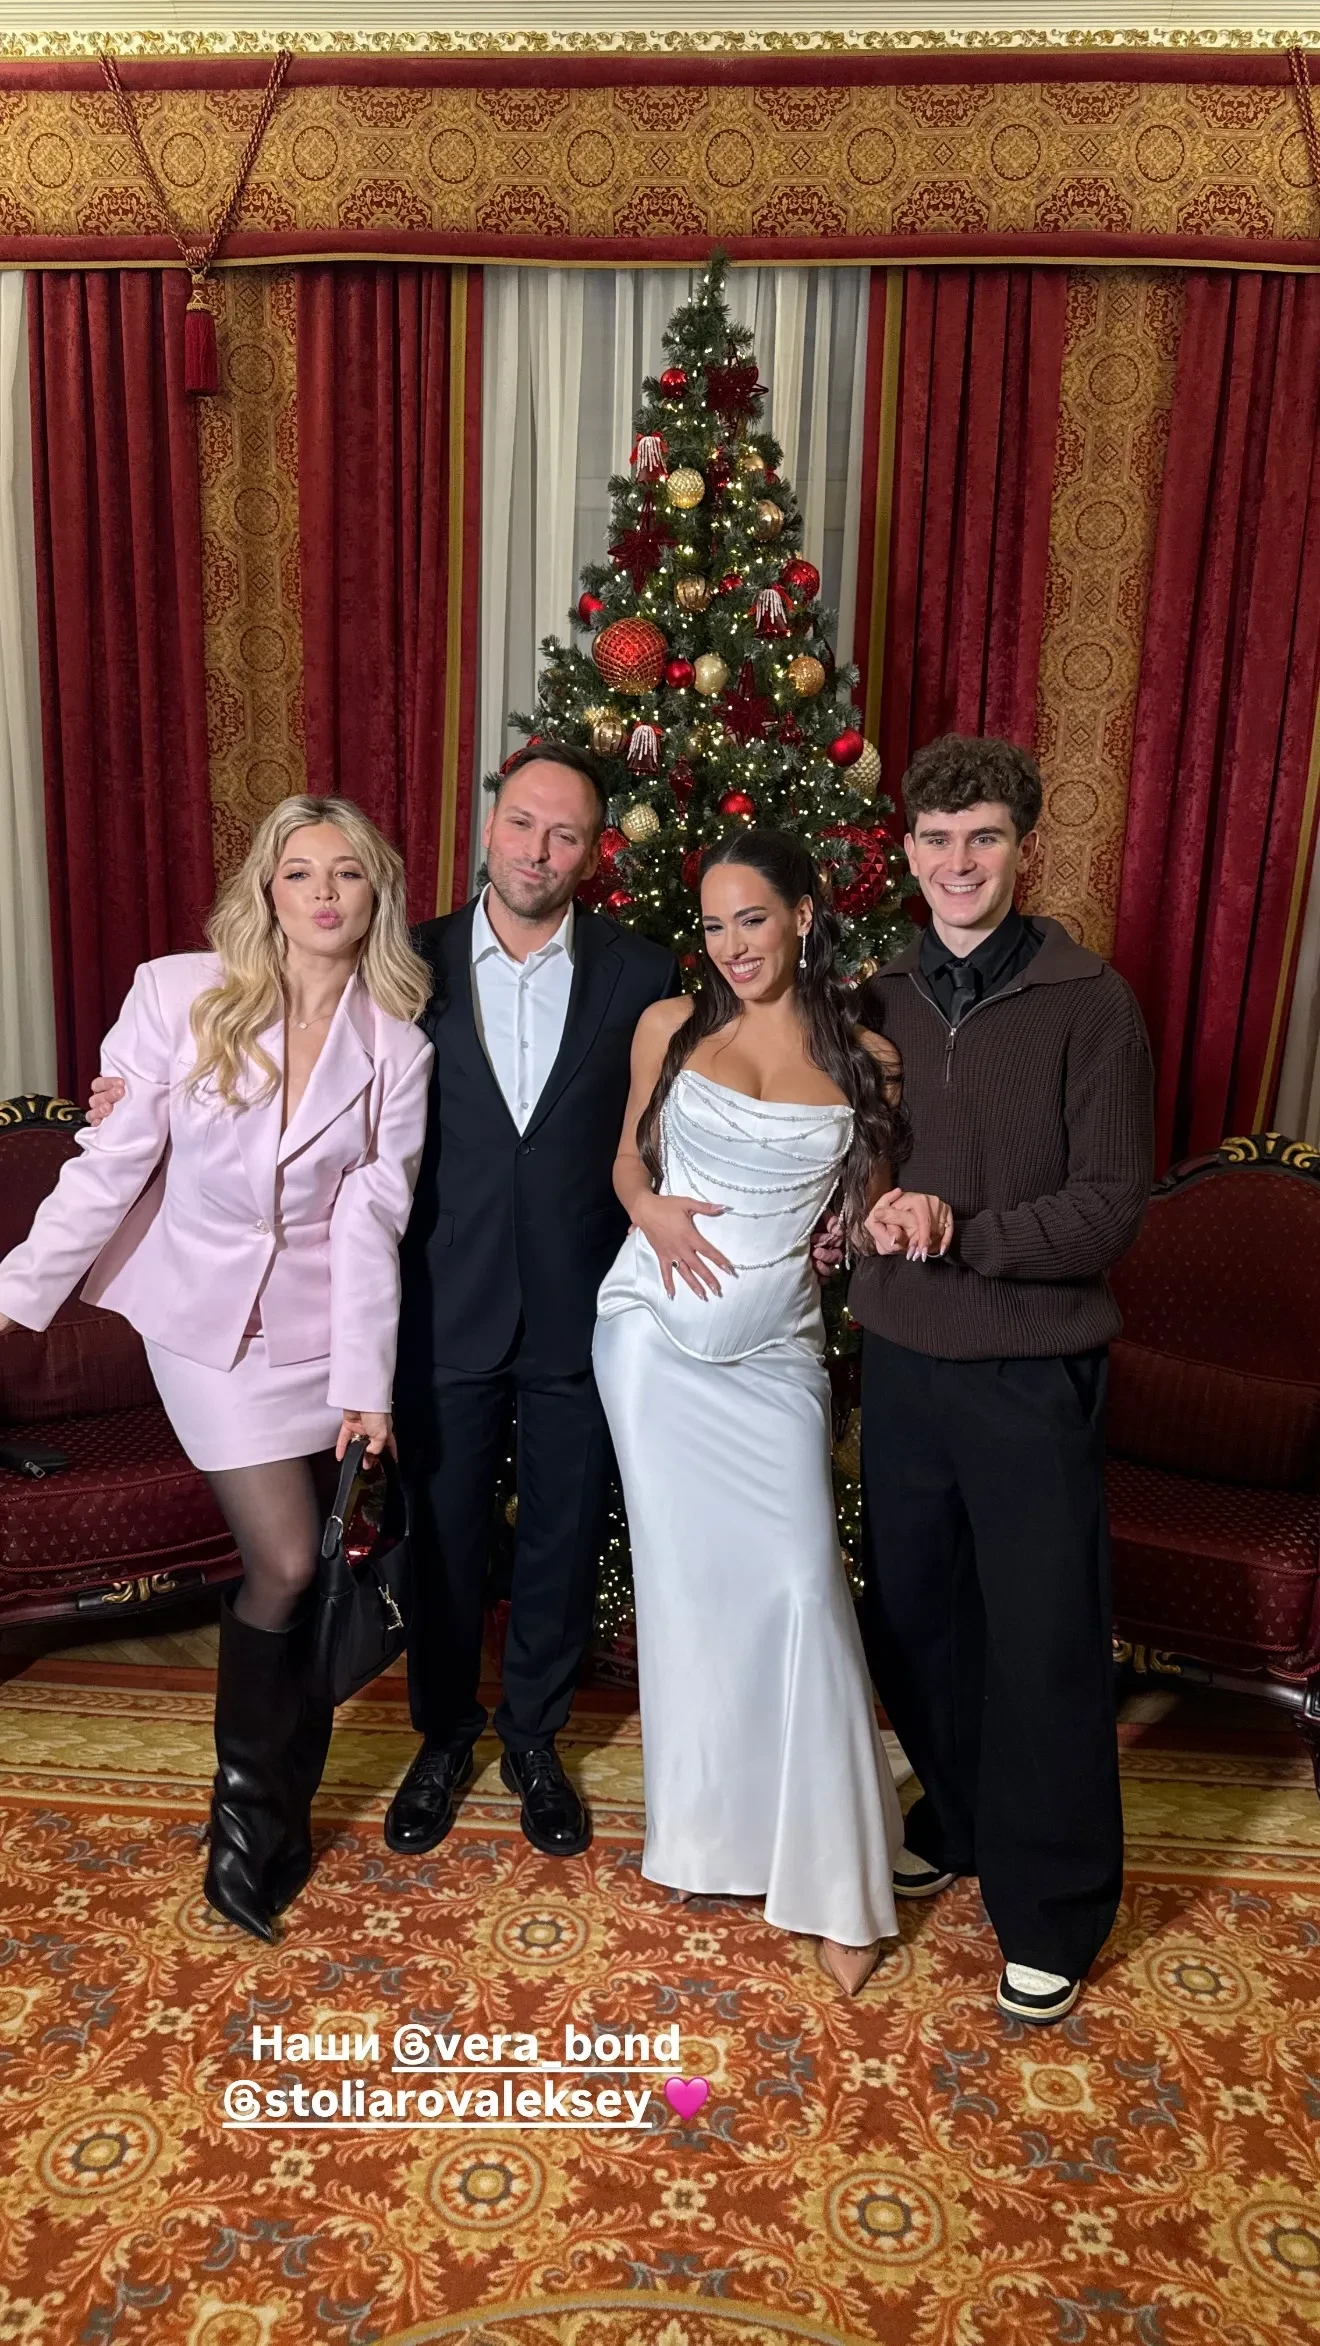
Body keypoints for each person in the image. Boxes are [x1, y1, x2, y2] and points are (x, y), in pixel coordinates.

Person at [6, 796, 433, 1944]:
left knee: (319, 1574)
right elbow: (110, 1166)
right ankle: (244, 1821)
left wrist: (368, 1383)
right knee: (285, 1561)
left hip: (322, 1338)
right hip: (201, 1327)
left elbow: (372, 1224)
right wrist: (13, 1294)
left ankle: (285, 1808)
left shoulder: (398, 1047)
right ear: (268, 893)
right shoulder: (178, 994)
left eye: (348, 873)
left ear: (377, 894)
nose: (325, 893)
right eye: (301, 873)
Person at [847, 733, 1153, 2027]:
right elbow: (856, 1155)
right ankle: (960, 1813)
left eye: (983, 837)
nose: (958, 861)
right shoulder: (874, 995)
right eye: (936, 838)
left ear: (1023, 847)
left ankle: (1053, 1905)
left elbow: (1110, 1206)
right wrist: (854, 1221)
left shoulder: (1093, 1001)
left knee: (1042, 1644)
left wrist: (962, 1230)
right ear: (908, 850)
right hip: (904, 1359)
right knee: (916, 1619)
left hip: (1031, 1367)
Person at [593, 828, 932, 1998]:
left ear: (801, 916)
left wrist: (862, 1230)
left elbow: (869, 1210)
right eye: (715, 924)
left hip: (777, 1356)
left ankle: (839, 1884)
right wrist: (651, 1212)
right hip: (650, 1339)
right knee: (688, 1596)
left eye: (753, 918)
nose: (733, 944)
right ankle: (709, 1836)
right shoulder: (670, 1028)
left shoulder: (870, 1058)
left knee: (798, 1586)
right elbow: (627, 1164)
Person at [385, 742, 679, 1862]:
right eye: (522, 823)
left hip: (582, 1305)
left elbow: (683, 1117)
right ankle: (442, 1735)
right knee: (440, 1533)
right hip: (441, 1302)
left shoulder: (643, 973)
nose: (538, 850)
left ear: (594, 852)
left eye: (565, 834)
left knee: (563, 1529)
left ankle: (534, 1739)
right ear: (489, 826)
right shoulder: (405, 961)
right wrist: (146, 1083)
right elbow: (304, 1060)